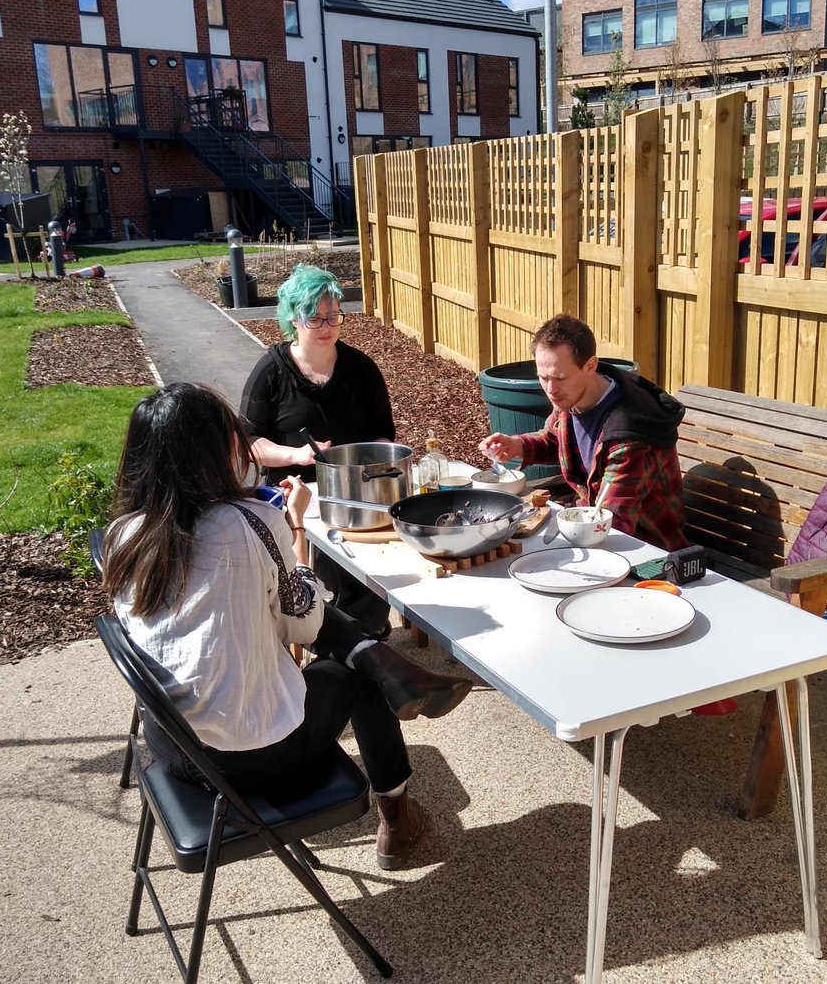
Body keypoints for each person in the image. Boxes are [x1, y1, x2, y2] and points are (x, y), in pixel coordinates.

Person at [102, 383, 472, 870]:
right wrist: (295, 526)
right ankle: (397, 815)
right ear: (215, 451)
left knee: (337, 632)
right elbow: (302, 625)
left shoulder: (123, 535)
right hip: (246, 760)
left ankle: (389, 665)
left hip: (172, 747)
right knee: (358, 669)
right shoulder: (250, 522)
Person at [239, 263, 394, 637]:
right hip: (296, 496)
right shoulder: (271, 372)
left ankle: (355, 643)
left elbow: (385, 439)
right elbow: (250, 444)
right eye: (314, 318)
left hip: (358, 493)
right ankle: (355, 645)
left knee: (378, 565)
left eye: (333, 317)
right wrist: (296, 455)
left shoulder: (361, 369)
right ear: (293, 319)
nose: (326, 327)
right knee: (341, 568)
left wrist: (362, 467)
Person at [480, 314, 687, 551]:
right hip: (592, 523)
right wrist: (518, 445)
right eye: (542, 377)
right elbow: (557, 439)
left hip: (645, 549)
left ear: (590, 366)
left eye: (559, 377)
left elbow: (611, 522)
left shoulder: (630, 435)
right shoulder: (572, 395)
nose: (550, 389)